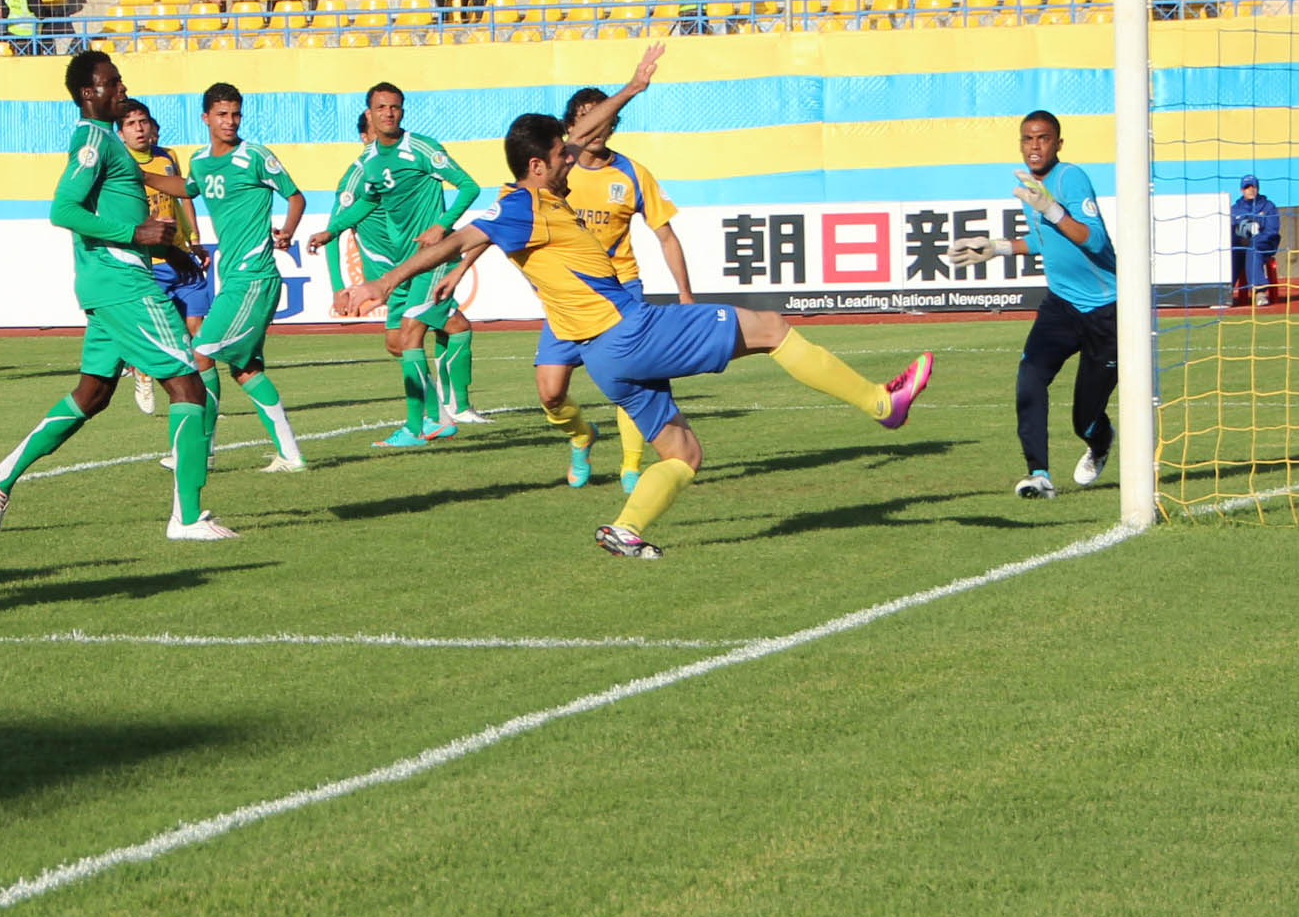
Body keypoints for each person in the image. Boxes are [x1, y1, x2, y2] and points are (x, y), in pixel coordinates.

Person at [345, 47, 932, 558]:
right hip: (631, 331)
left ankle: (627, 529)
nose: (574, 157)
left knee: (684, 452)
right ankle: (884, 405)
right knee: (772, 327)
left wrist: (630, 88)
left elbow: (577, 138)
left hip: (604, 361)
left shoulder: (532, 189)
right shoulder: (523, 206)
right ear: (536, 165)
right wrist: (383, 284)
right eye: (562, 155)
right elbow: (453, 241)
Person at [0, 50, 235, 540]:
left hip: (109, 281)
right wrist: (135, 235)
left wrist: (171, 251)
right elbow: (64, 209)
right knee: (189, 385)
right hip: (122, 284)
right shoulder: (92, 141)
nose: (122, 89)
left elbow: (138, 212)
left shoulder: (110, 144)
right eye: (113, 83)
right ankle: (188, 518)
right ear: (90, 93)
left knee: (91, 396)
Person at [530, 84, 701, 493]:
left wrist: (685, 294)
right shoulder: (558, 170)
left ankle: (631, 468)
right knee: (551, 394)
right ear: (572, 126)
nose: (599, 125)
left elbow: (666, 236)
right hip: (570, 296)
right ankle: (582, 435)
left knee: (634, 379)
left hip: (622, 289)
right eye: (590, 117)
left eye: (606, 117)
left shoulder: (631, 173)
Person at [946, 109, 1120, 499]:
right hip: (1061, 305)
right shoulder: (1028, 184)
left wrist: (1051, 209)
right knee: (1030, 377)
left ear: (1058, 143)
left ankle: (1100, 438)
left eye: (1043, 138)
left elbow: (1092, 240)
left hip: (1107, 310)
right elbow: (1046, 238)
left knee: (1085, 419)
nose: (1034, 146)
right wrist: (996, 248)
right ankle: (1038, 475)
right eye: (1027, 138)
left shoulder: (1071, 178)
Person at [304, 80, 487, 447]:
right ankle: (436, 418)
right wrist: (332, 230)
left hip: (432, 258)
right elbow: (368, 202)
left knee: (411, 335)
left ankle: (423, 424)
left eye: (395, 107)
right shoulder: (370, 162)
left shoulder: (421, 148)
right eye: (382, 108)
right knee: (402, 341)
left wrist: (442, 226)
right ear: (369, 114)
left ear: (402, 111)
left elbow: (468, 186)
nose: (389, 113)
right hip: (405, 266)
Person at [186, 82, 311, 472]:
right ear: (206, 118)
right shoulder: (200, 161)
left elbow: (295, 196)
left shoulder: (255, 156)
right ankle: (291, 455)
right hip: (234, 277)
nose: (230, 121)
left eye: (235, 114)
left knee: (201, 353)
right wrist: (140, 173)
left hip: (254, 276)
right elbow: (187, 188)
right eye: (222, 114)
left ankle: (198, 451)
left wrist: (287, 231)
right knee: (245, 370)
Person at [118, 99, 214, 417]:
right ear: (120, 133)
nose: (140, 128)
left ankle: (203, 403)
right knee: (166, 334)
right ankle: (143, 371)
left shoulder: (167, 157)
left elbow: (181, 199)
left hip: (182, 256)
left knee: (197, 330)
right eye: (131, 123)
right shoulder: (119, 164)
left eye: (143, 121)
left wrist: (194, 240)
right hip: (150, 264)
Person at [1225, 175, 1282, 308]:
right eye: (1246, 187)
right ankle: (1225, 292)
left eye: (1253, 186)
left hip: (1265, 244)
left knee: (1253, 248)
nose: (1250, 190)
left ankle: (1260, 292)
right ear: (1241, 190)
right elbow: (1231, 232)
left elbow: (1272, 230)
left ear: (1257, 188)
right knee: (1233, 251)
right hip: (1241, 244)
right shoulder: (1235, 209)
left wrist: (1254, 239)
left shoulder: (1268, 206)